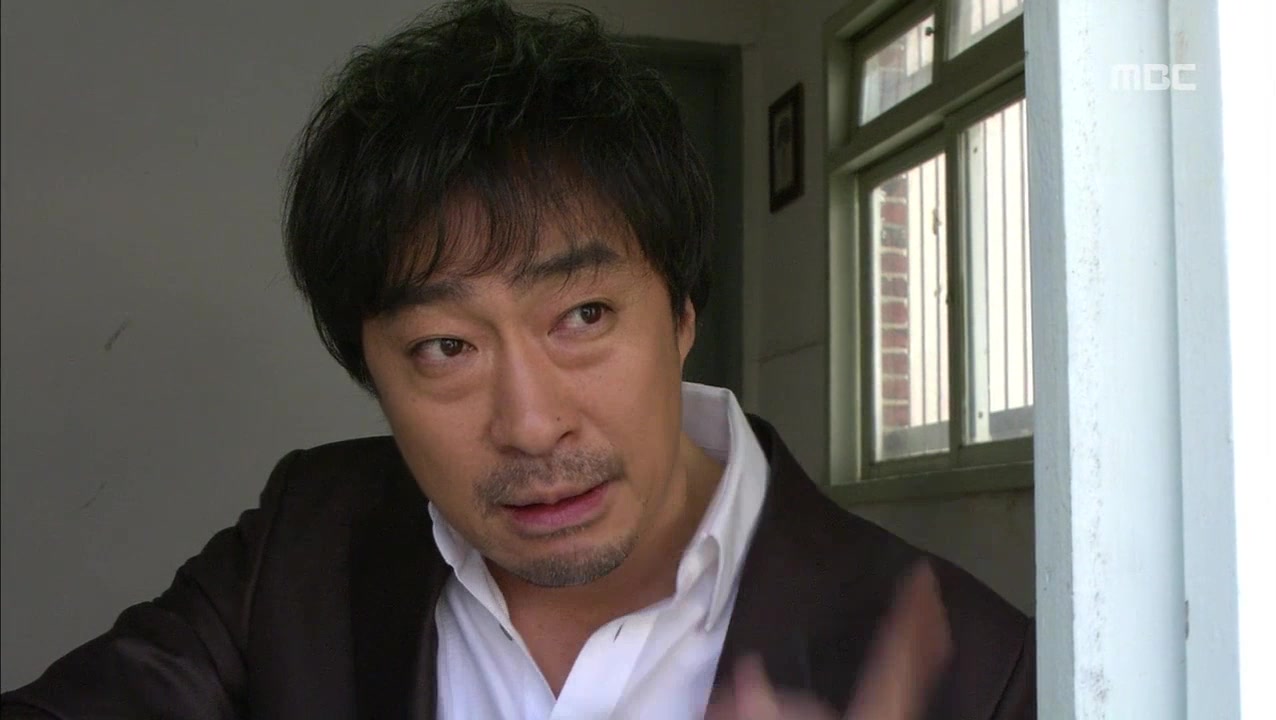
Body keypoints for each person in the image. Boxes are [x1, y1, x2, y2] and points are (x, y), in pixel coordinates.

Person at [0, 1, 1034, 718]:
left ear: (681, 312)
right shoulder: (302, 549)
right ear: (369, 368)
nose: (532, 425)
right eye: (445, 346)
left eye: (582, 316)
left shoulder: (980, 668)